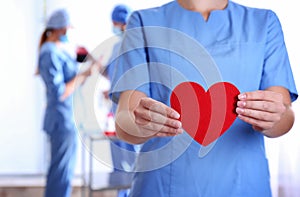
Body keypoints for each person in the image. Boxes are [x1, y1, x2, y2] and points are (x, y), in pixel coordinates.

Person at [110, 0, 298, 196]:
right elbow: (125, 118)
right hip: (161, 184)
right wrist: (140, 124)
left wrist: (274, 117)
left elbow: (285, 114)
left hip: (246, 183)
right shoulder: (143, 22)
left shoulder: (264, 22)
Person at [37, 9, 98, 197]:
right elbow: (59, 93)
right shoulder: (49, 52)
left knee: (64, 172)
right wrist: (82, 76)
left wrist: (84, 72)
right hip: (61, 120)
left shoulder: (58, 50)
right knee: (60, 174)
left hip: (67, 119)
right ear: (61, 29)